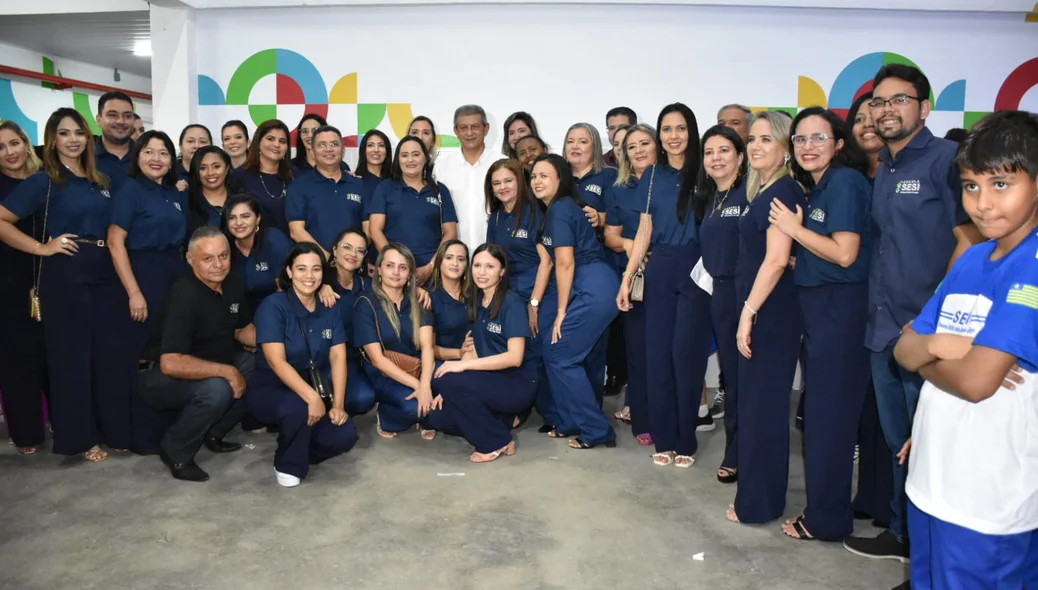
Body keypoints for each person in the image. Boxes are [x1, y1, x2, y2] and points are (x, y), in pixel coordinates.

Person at [894, 111, 1038, 590]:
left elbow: (977, 384)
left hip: (989, 499)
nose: (982, 203)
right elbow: (903, 349)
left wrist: (930, 353)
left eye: (1001, 184)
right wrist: (941, 346)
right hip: (933, 475)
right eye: (971, 186)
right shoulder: (974, 257)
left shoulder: (1032, 268)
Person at [844, 64, 981, 565]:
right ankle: (904, 538)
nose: (887, 110)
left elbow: (970, 239)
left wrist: (932, 318)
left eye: (899, 100)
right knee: (901, 441)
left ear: (924, 108)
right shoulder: (886, 167)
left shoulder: (947, 160)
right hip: (885, 331)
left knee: (932, 446)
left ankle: (933, 552)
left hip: (927, 335)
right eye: (878, 102)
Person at [0, 108, 129, 462]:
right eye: (64, 133)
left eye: (79, 133)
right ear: (51, 140)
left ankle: (112, 430)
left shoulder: (100, 180)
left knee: (107, 356)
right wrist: (42, 248)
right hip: (65, 272)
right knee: (72, 360)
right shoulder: (43, 181)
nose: (73, 139)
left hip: (105, 273)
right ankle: (80, 438)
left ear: (88, 138)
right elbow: (2, 220)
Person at [767, 107, 872, 541]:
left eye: (819, 138)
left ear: (840, 144)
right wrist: (802, 253)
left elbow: (846, 253)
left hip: (839, 313)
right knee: (832, 414)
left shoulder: (844, 182)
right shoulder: (819, 186)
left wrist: (793, 228)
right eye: (800, 139)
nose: (808, 147)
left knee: (827, 419)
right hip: (826, 311)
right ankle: (851, 506)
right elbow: (830, 250)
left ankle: (826, 520)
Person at [617, 103, 712, 468]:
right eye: (667, 129)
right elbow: (644, 231)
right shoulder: (652, 175)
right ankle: (665, 437)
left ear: (692, 131)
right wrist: (628, 278)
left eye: (681, 128)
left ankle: (685, 440)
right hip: (660, 268)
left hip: (698, 270)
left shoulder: (705, 170)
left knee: (685, 358)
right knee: (656, 357)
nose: (674, 136)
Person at [724, 111, 806, 524]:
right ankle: (759, 499)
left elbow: (775, 261)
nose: (755, 146)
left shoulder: (782, 194)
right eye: (752, 139)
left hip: (769, 314)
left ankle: (758, 504)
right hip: (763, 309)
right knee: (759, 407)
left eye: (766, 140)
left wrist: (748, 313)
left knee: (763, 410)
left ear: (785, 148)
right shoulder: (768, 189)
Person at [136, 226, 252, 482]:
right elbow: (170, 362)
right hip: (159, 375)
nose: (218, 265)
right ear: (190, 260)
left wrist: (279, 343)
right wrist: (228, 372)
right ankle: (175, 450)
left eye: (223, 255)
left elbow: (242, 330)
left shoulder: (232, 283)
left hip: (211, 362)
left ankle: (214, 432)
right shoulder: (184, 294)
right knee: (218, 388)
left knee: (261, 363)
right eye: (208, 259)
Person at [249, 242, 359, 488]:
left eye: (316, 269)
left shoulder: (330, 306)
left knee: (344, 434)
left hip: (314, 382)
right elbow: (276, 362)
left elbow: (338, 357)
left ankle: (298, 445)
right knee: (298, 407)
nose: (309, 276)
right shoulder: (273, 306)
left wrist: (338, 405)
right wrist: (311, 397)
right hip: (272, 387)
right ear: (289, 272)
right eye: (301, 269)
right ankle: (287, 464)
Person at [107, 131, 189, 454]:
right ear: (137, 157)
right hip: (142, 275)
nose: (156, 159)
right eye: (149, 152)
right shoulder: (130, 190)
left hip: (174, 276)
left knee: (168, 353)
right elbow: (115, 243)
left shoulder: (172, 193)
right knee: (140, 358)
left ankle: (169, 431)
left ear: (172, 160)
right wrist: (134, 292)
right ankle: (140, 436)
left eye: (164, 153)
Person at [532, 153, 618, 449]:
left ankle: (596, 430)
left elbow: (565, 263)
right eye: (533, 176)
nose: (537, 181)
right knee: (558, 351)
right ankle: (570, 422)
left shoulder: (560, 210)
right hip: (592, 285)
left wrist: (560, 312)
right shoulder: (559, 209)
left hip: (593, 286)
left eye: (544, 175)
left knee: (561, 355)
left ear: (560, 179)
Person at [432, 243, 538, 462]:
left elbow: (515, 358)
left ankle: (497, 441)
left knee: (447, 379)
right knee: (437, 417)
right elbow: (470, 347)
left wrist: (460, 369)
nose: (481, 272)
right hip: (490, 381)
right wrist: (453, 389)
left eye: (490, 266)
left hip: (516, 383)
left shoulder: (512, 303)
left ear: (502, 271)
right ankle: (506, 421)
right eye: (477, 265)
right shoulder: (476, 301)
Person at [845, 91, 894, 531]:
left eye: (873, 116)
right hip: (855, 306)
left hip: (896, 308)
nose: (867, 123)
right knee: (865, 408)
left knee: (889, 414)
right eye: (859, 118)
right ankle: (871, 495)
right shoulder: (849, 179)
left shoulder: (899, 175)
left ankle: (889, 507)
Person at [483, 158, 554, 431]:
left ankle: (550, 414)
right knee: (513, 354)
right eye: (497, 183)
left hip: (535, 293)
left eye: (508, 181)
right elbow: (493, 259)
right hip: (508, 297)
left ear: (520, 181)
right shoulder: (497, 216)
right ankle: (517, 407)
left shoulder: (535, 211)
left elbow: (546, 262)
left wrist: (534, 303)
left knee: (536, 353)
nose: (502, 187)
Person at [696, 124, 748, 482]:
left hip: (744, 295)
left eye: (724, 151)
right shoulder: (711, 198)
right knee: (732, 377)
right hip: (718, 295)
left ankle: (741, 452)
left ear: (740, 157)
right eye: (710, 152)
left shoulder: (750, 195)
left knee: (745, 380)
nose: (716, 158)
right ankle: (736, 447)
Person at [605, 124, 657, 446]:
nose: (637, 150)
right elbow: (610, 236)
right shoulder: (619, 188)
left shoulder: (671, 183)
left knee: (664, 350)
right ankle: (641, 415)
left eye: (644, 143)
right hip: (633, 279)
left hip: (669, 274)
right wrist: (633, 248)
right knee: (637, 350)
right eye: (631, 146)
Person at [353, 243, 436, 438]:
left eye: (403, 267)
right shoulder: (366, 303)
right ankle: (389, 415)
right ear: (379, 269)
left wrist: (424, 384)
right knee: (415, 407)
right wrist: (419, 387)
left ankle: (426, 415)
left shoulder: (419, 300)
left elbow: (427, 347)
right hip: (384, 372)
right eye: (390, 266)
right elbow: (377, 360)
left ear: (410, 273)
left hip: (418, 366)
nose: (396, 272)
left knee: (450, 389)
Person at [0, 121, 47, 454]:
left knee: (53, 356)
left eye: (14, 143)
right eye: (1, 148)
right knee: (16, 361)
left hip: (48, 277)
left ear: (26, 143)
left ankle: (65, 419)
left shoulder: (45, 179)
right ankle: (26, 434)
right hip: (7, 282)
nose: (10, 152)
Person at [369, 135, 459, 285]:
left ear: (426, 158)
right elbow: (375, 230)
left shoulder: (439, 190)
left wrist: (431, 267)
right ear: (398, 159)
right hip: (394, 274)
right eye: (404, 155)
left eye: (416, 154)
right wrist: (396, 264)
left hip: (432, 272)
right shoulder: (385, 188)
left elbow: (451, 233)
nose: (410, 160)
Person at [287, 125, 369, 257]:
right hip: (315, 267)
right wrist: (327, 258)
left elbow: (368, 229)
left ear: (342, 150)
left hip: (353, 264)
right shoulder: (298, 186)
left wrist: (354, 255)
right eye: (322, 145)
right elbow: (296, 231)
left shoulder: (359, 185)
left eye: (334, 144)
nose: (328, 149)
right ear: (313, 152)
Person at [434, 105, 503, 249]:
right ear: (456, 131)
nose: (469, 133)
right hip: (454, 256)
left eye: (475, 127)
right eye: (463, 128)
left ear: (486, 129)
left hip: (495, 253)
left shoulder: (502, 164)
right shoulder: (441, 168)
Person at [326, 228, 376, 416]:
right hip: (325, 359)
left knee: (364, 398)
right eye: (347, 247)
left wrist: (418, 291)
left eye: (360, 250)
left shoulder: (368, 286)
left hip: (354, 359)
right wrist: (321, 286)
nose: (353, 254)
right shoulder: (319, 282)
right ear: (334, 250)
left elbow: (396, 290)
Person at [223, 193, 293, 310]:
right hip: (238, 315)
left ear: (258, 218)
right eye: (232, 217)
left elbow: (285, 290)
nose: (238, 223)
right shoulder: (224, 247)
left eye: (245, 216)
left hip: (275, 310)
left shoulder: (274, 240)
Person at [234, 119, 294, 234]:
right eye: (270, 139)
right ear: (258, 142)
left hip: (294, 247)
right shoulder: (240, 176)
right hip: (257, 246)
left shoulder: (294, 175)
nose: (276, 145)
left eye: (282, 141)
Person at [429, 240, 471, 362]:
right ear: (439, 262)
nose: (455, 263)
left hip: (478, 360)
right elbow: (427, 348)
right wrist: (459, 353)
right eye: (449, 258)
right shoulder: (430, 299)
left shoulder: (475, 294)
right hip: (446, 365)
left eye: (461, 259)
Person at [186, 145, 236, 232]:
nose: (210, 173)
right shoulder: (186, 201)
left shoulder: (240, 198)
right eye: (203, 168)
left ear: (227, 169)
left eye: (216, 166)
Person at [94, 91, 136, 192]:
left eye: (127, 116)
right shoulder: (84, 156)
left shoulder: (146, 157)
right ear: (99, 120)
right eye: (112, 115)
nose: (120, 121)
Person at [356, 129, 392, 198]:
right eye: (370, 145)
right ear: (363, 150)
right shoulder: (355, 182)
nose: (376, 150)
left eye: (381, 145)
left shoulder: (395, 182)